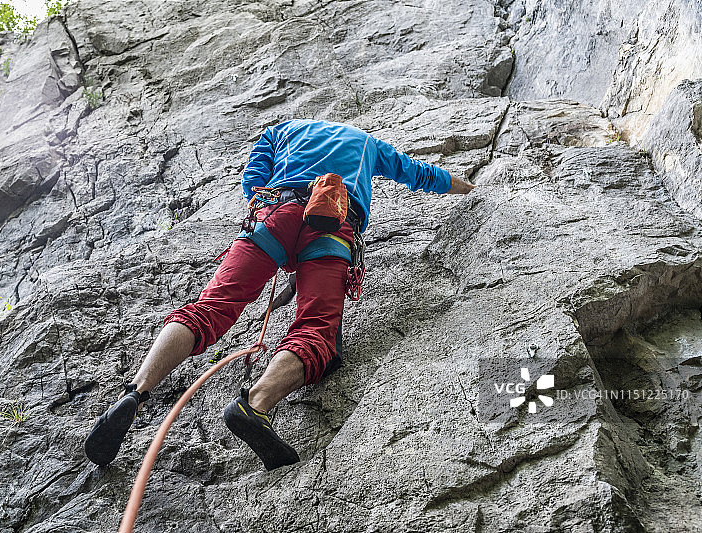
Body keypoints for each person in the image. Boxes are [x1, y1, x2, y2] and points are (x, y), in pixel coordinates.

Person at [84, 118, 476, 470]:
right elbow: (420, 174)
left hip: (273, 216)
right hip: (331, 229)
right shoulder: (367, 143)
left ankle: (135, 392)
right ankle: (255, 405)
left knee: (211, 308)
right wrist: (471, 189)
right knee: (316, 329)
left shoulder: (281, 131)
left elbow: (252, 182)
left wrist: (276, 225)